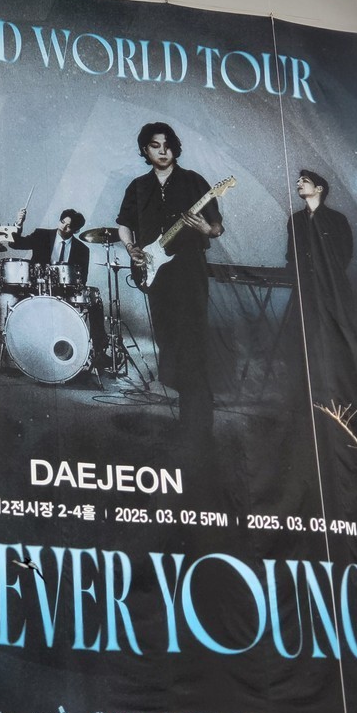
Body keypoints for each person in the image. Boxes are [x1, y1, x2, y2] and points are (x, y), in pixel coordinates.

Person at [115, 122, 223, 462]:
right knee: (168, 339)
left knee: (193, 340)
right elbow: (123, 224)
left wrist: (207, 228)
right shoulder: (137, 186)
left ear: (175, 147)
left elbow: (216, 226)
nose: (162, 150)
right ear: (145, 150)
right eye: (154, 145)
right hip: (155, 273)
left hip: (188, 270)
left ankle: (198, 427)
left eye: (167, 144)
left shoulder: (194, 181)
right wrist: (131, 248)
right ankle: (187, 418)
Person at [285, 169, 355, 405]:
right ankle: (303, 396)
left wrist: (326, 275)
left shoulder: (337, 220)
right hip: (305, 291)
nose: (298, 183)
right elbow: (291, 254)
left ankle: (334, 396)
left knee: (332, 340)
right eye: (298, 180)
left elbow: (345, 254)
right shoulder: (295, 220)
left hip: (331, 291)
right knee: (301, 339)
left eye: (304, 181)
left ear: (319, 189)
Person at [9, 208, 90, 283]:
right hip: (37, 287)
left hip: (65, 291)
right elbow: (15, 244)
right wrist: (18, 224)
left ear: (76, 231)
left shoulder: (82, 249)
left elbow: (83, 279)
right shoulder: (41, 235)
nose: (63, 227)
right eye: (62, 222)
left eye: (68, 226)